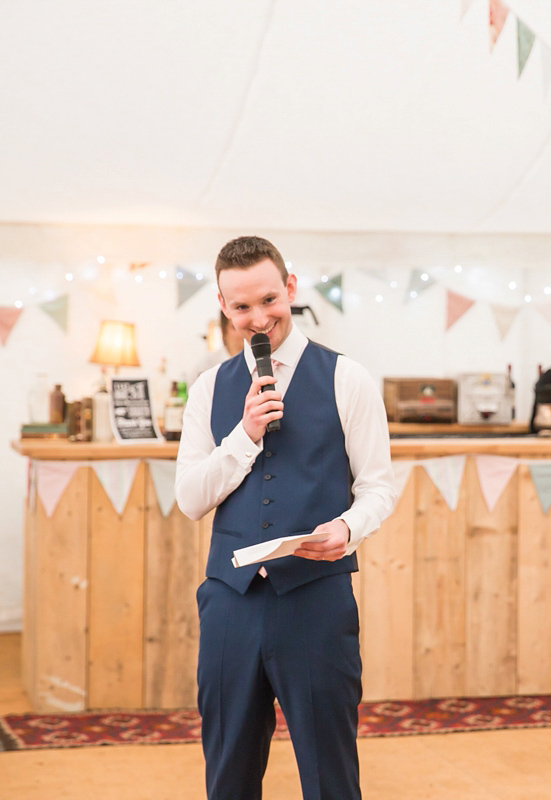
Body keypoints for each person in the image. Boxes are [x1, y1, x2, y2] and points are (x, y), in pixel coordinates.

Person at [175, 236, 398, 800]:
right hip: (230, 604)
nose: (258, 318)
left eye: (269, 300)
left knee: (330, 775)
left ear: (291, 289)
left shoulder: (348, 379)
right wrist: (244, 436)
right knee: (228, 774)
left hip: (316, 602)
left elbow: (378, 487)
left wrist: (348, 528)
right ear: (224, 307)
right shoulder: (208, 389)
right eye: (241, 307)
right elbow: (190, 499)